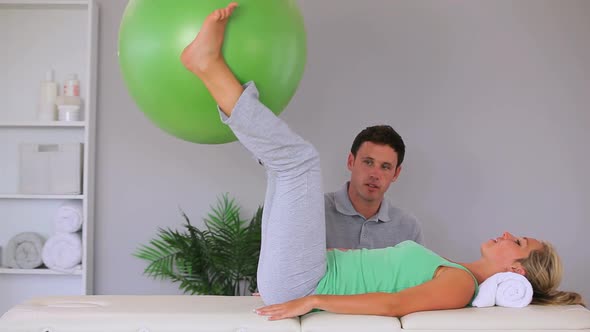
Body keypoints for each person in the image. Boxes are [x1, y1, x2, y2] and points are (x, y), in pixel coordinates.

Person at [180, 2, 584, 320]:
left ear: (515, 271)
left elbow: (394, 305)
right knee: (283, 165)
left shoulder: (461, 285)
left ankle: (207, 65)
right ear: (353, 161)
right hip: (302, 275)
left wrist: (313, 299)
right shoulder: (453, 269)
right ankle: (213, 74)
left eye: (518, 241)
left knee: (299, 161)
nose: (508, 232)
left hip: (306, 281)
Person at [324, 124, 424, 249]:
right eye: (368, 162)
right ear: (351, 161)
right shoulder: (316, 212)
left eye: (385, 167)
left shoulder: (409, 229)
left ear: (396, 173)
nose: (375, 175)